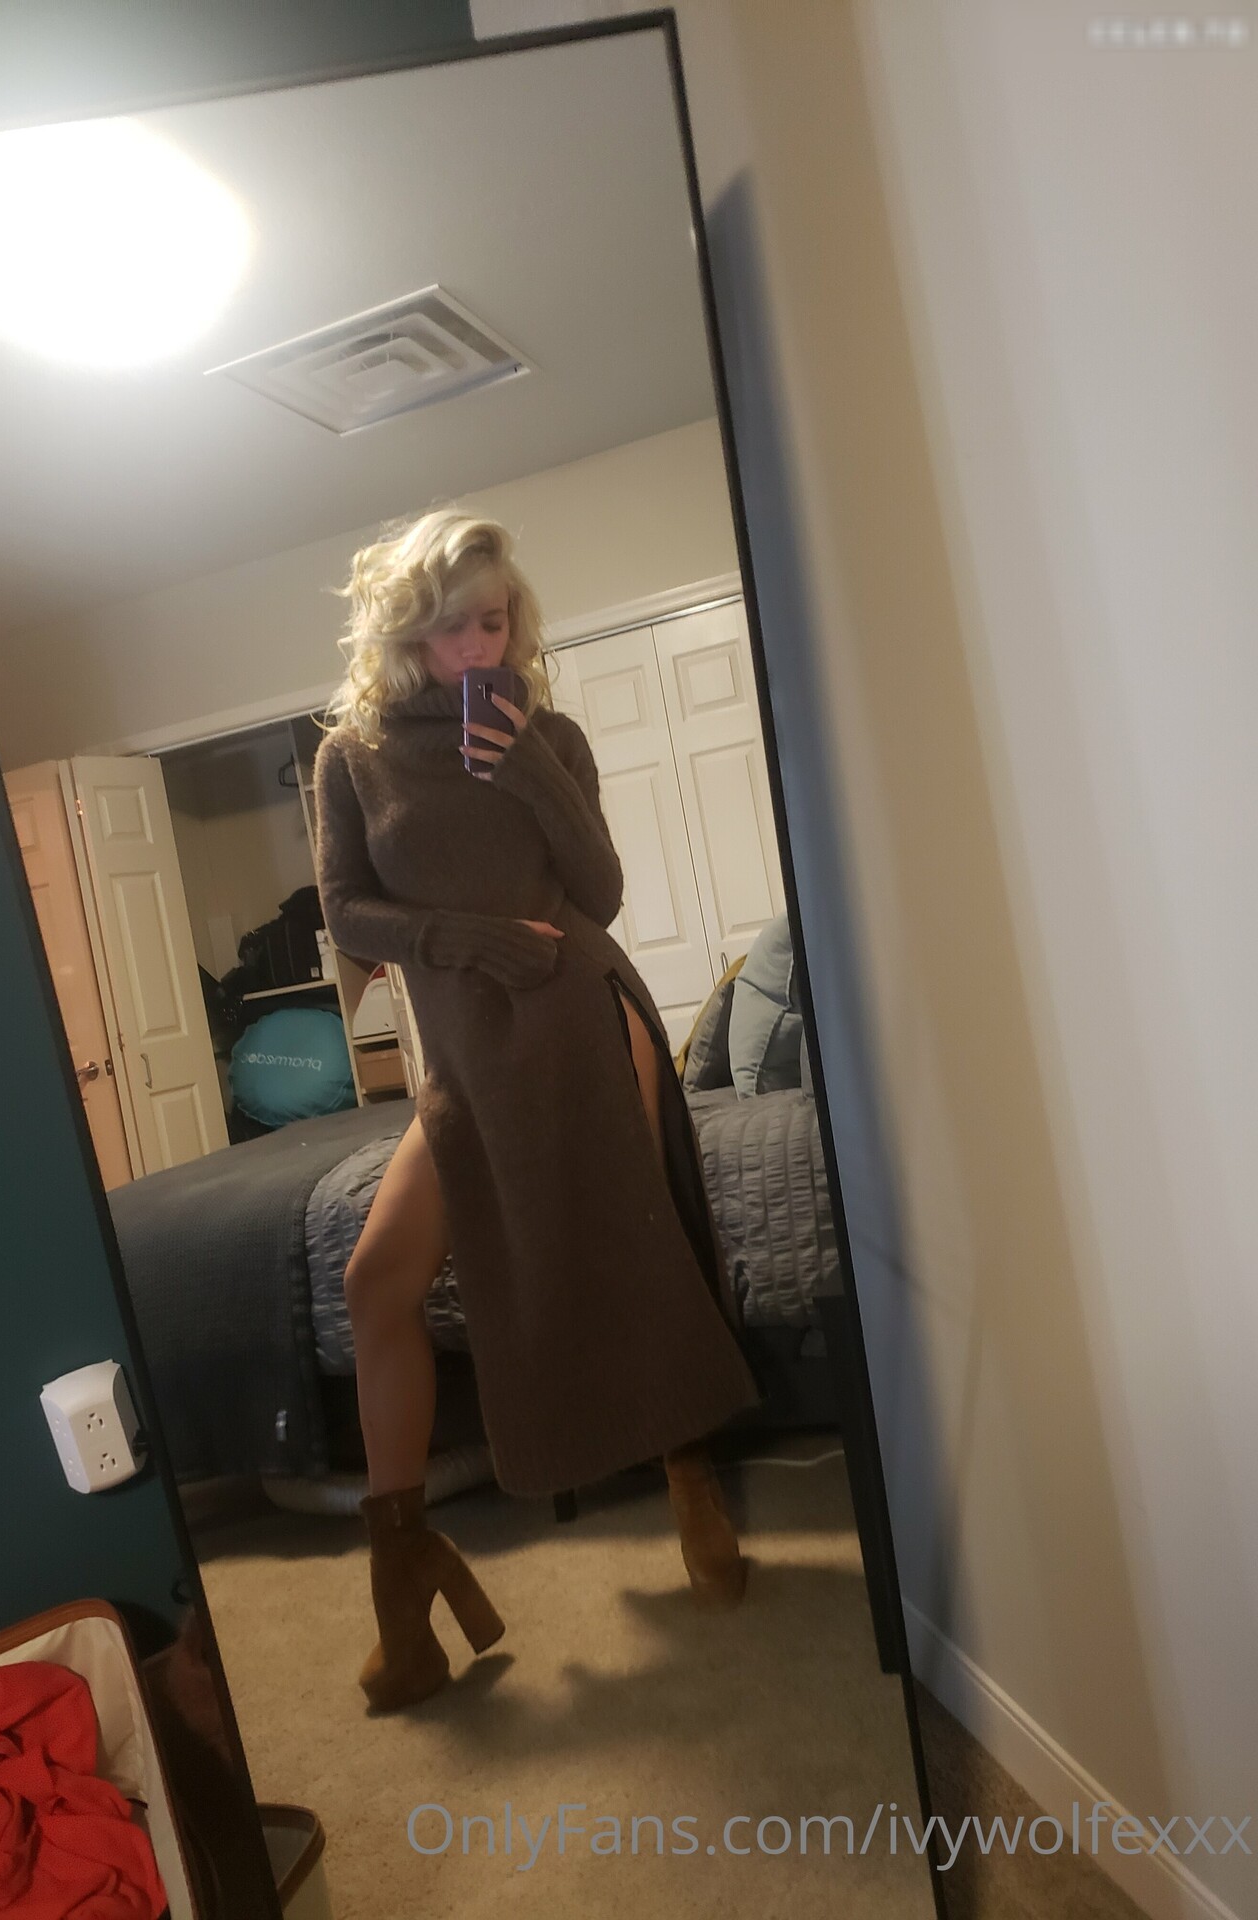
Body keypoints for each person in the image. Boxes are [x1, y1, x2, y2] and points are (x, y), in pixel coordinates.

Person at [312, 509, 763, 1712]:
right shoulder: (354, 757)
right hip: (468, 1051)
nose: (477, 647)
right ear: (406, 634)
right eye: (450, 627)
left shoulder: (548, 733)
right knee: (374, 1281)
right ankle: (403, 1575)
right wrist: (459, 939)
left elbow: (600, 890)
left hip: (580, 1012)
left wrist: (526, 768)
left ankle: (689, 1475)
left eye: (494, 620)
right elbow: (347, 914)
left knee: (629, 1240)